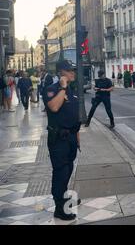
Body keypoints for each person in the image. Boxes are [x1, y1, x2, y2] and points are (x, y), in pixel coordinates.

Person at [43, 60, 82, 221]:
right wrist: (63, 88)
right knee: (60, 172)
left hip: (71, 138)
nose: (73, 73)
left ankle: (64, 198)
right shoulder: (52, 89)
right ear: (61, 73)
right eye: (69, 71)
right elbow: (53, 107)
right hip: (59, 139)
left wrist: (78, 138)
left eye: (73, 70)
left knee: (68, 170)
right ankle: (59, 209)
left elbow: (74, 116)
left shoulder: (72, 90)